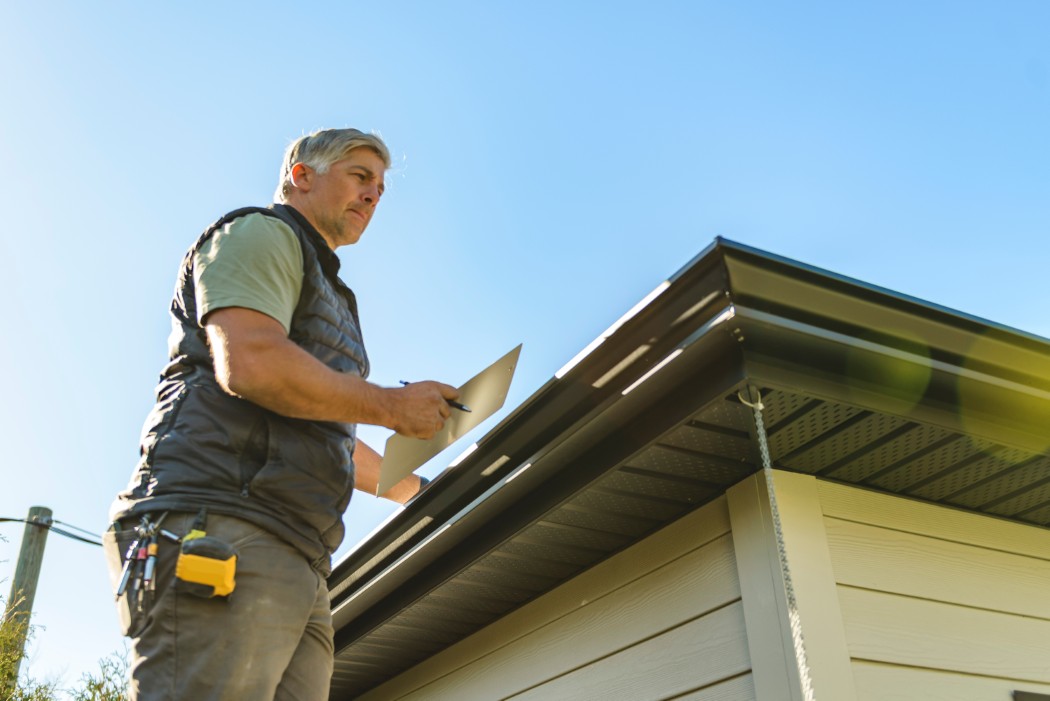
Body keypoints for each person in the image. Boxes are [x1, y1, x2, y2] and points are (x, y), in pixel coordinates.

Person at [104, 128, 459, 700]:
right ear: (301, 176)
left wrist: (413, 490)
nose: (373, 195)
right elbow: (251, 364)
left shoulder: (334, 293)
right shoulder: (259, 234)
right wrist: (393, 406)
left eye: (381, 189)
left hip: (300, 550)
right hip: (221, 521)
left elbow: (326, 427)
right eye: (360, 177)